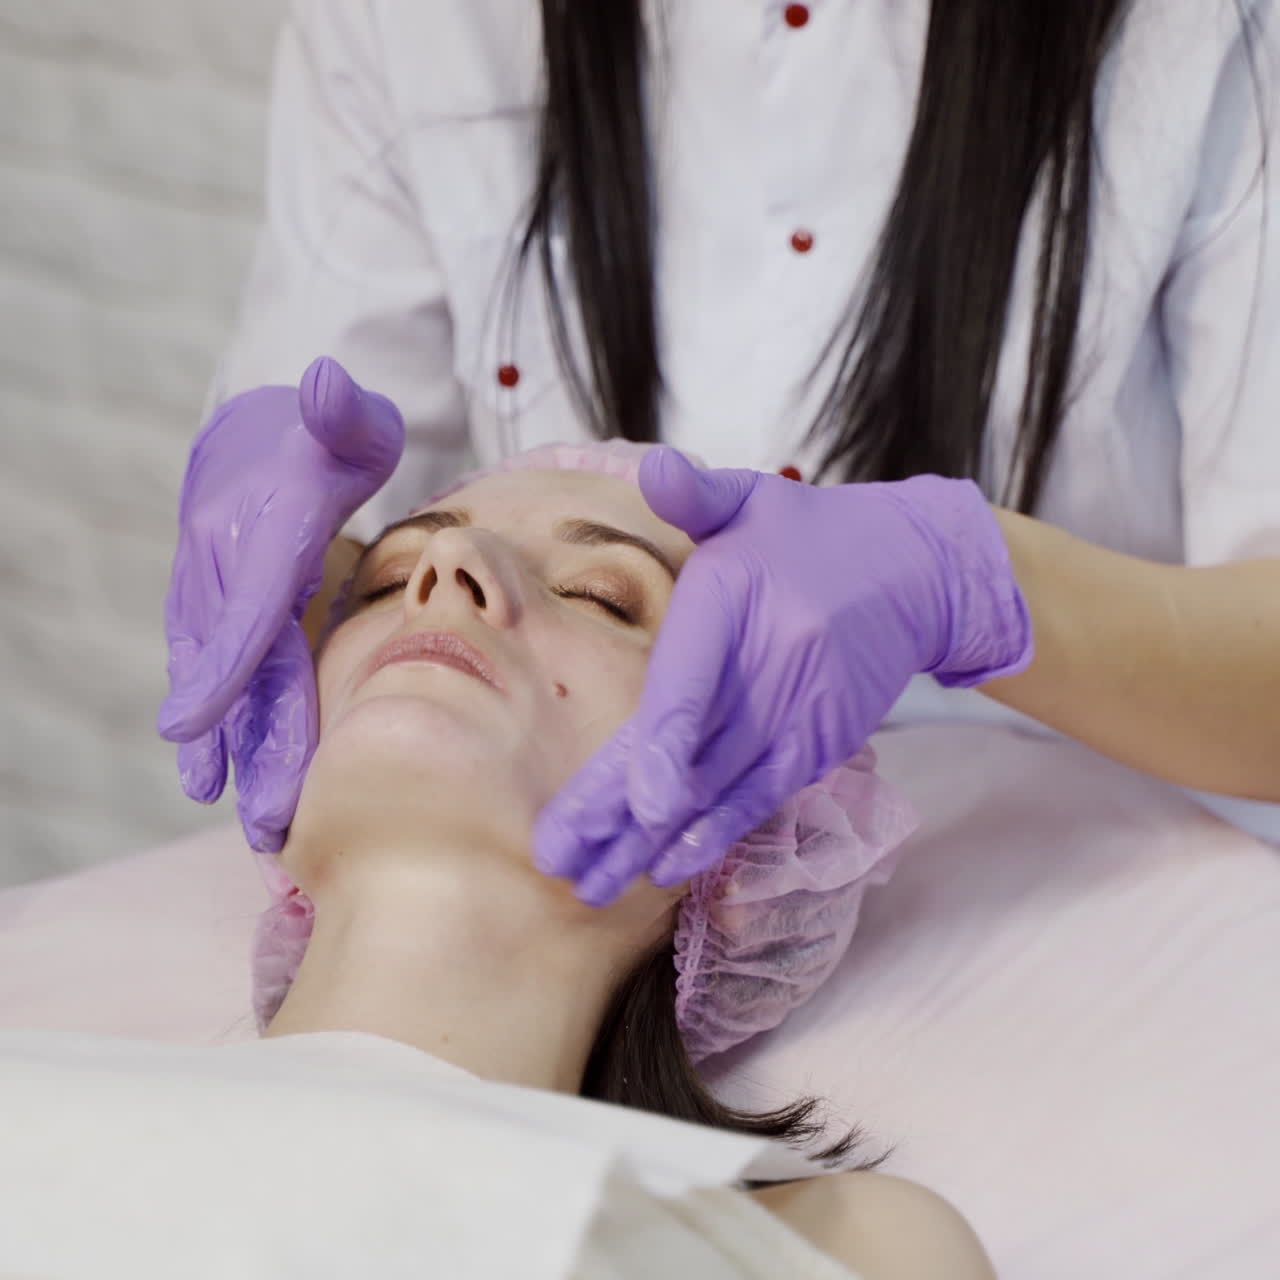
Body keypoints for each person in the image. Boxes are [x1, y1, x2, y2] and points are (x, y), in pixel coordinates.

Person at [159, 4, 1280, 904]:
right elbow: (323, 523)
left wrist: (973, 580)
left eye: (607, 594)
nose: (444, 582)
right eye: (399, 578)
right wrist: (286, 567)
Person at [249, 439, 992, 1278]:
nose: (450, 561)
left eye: (599, 597)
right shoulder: (69, 1105)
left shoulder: (831, 1247)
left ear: (739, 849)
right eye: (386, 580)